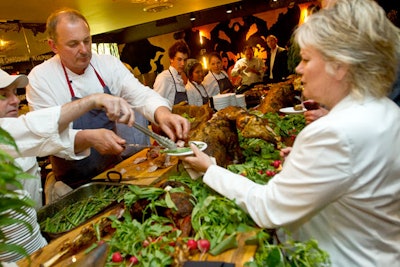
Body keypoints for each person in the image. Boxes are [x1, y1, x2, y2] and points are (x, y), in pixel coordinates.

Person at [181, 0, 400, 266]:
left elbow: (268, 208)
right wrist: (306, 160)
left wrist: (210, 169)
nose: (298, 68)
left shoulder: (333, 133)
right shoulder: (387, 109)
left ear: (340, 65)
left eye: (307, 59)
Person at [26, 8, 190, 189]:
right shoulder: (40, 78)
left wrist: (163, 114)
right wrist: (88, 138)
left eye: (87, 41)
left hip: (114, 171)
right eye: (73, 44)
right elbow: (45, 138)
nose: (84, 50)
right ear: (53, 46)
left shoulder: (106, 64)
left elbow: (140, 94)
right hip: (73, 184)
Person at [0, 68, 135, 209]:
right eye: (3, 95)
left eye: (15, 93)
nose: (15, 100)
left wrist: (92, 137)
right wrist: (93, 100)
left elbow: (56, 139)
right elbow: (37, 127)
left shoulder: (18, 131)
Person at [153, 40, 190, 107]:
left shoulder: (180, 78)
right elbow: (156, 106)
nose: (183, 64)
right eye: (179, 59)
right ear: (171, 59)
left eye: (185, 60)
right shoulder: (164, 77)